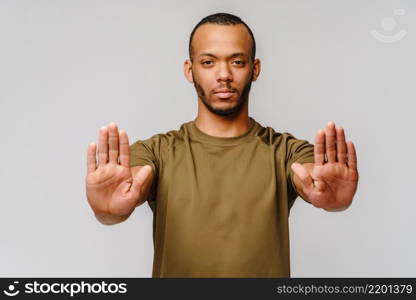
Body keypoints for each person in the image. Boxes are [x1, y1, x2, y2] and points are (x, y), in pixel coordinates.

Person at [85, 13, 359, 278]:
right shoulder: (157, 152)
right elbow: (128, 189)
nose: (224, 74)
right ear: (189, 71)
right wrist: (108, 212)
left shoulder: (285, 151)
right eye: (208, 62)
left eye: (237, 62)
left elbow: (312, 176)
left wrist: (332, 200)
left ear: (255, 69)